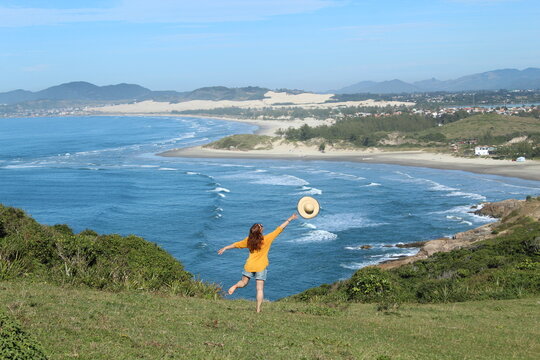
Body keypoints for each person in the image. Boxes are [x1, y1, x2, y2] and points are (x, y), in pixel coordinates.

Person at [218, 213, 298, 312]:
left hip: (249, 265)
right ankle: (258, 310)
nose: (263, 227)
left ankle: (235, 286)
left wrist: (225, 248)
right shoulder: (266, 239)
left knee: (243, 283)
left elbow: (236, 245)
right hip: (261, 267)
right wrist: (290, 219)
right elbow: (279, 229)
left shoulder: (248, 241)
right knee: (259, 289)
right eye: (261, 226)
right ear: (260, 232)